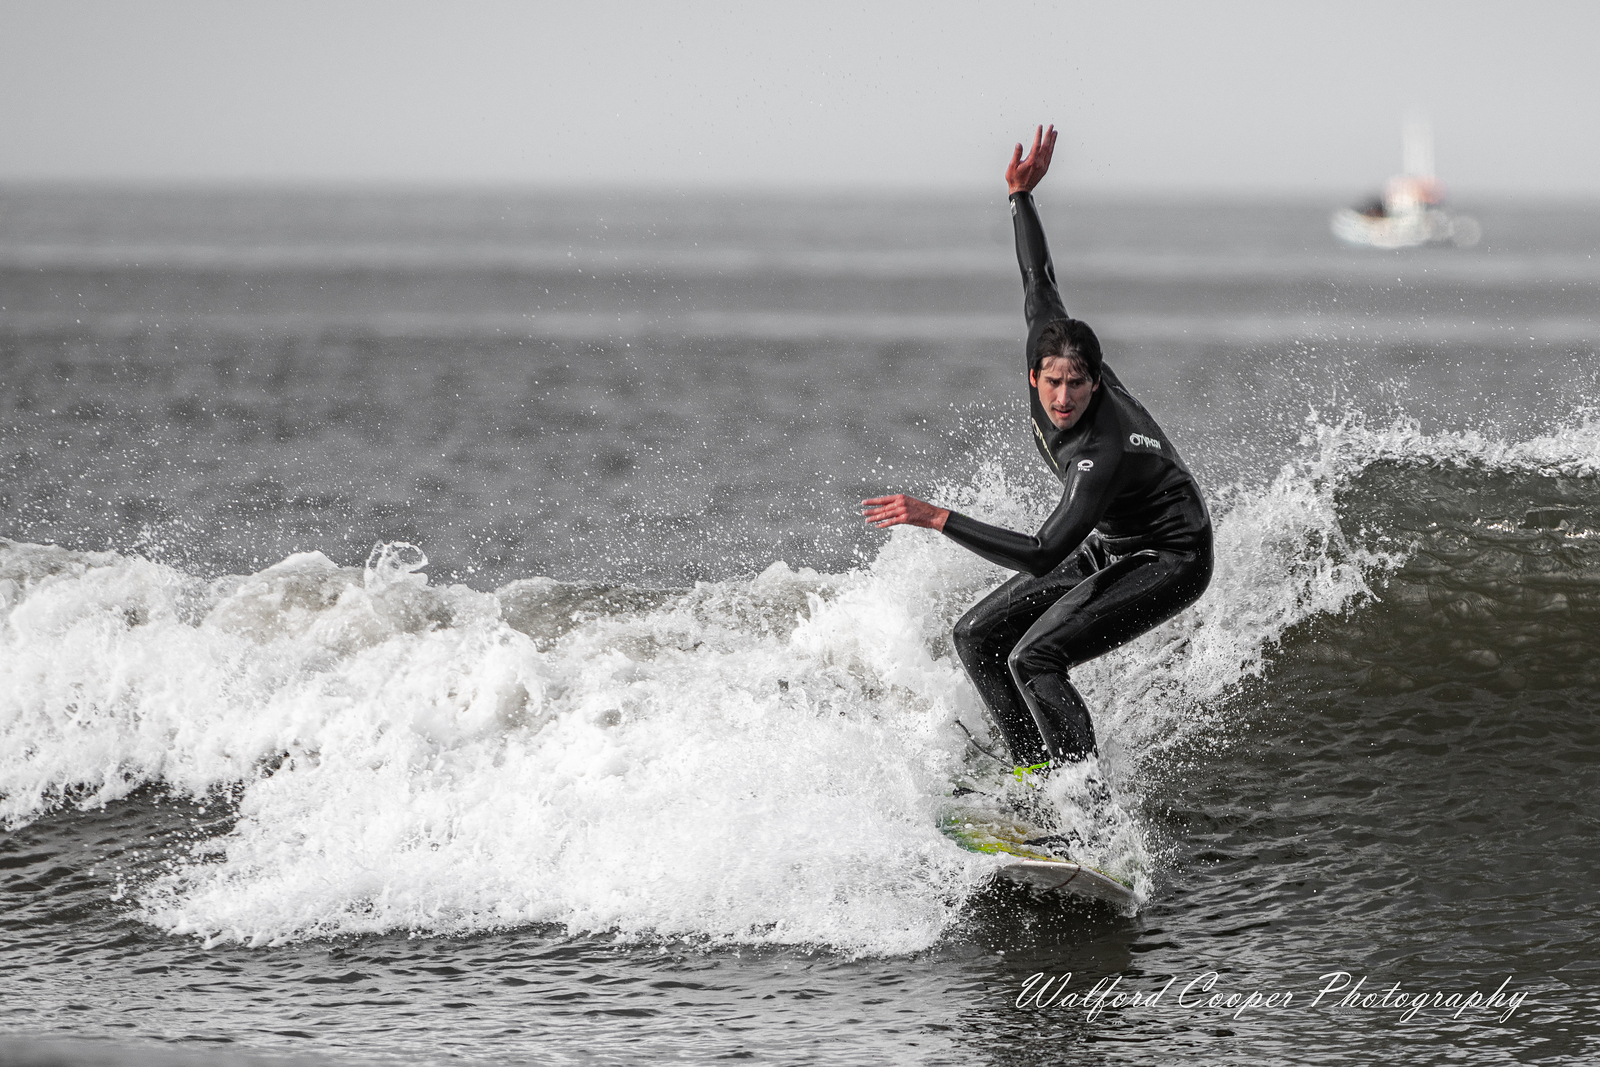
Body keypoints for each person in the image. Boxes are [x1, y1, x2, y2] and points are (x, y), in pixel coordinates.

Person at [862, 125, 1212, 773]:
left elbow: (1043, 550)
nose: (1064, 397)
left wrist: (936, 516)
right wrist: (1020, 196)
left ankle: (1085, 811)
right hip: (1113, 544)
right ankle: (1032, 777)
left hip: (1171, 554)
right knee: (976, 637)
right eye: (1053, 381)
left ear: (1095, 377)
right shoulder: (1050, 340)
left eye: (1079, 383)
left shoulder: (1100, 451)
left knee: (1036, 657)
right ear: (1035, 372)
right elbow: (1037, 275)